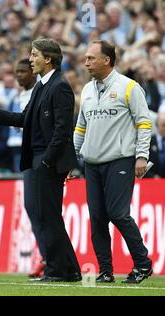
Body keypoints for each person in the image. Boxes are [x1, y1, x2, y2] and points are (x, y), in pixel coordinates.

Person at [0, 38, 81, 282]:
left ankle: (58, 270)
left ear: (48, 59)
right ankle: (68, 269)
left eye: (34, 55)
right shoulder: (41, 86)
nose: (30, 59)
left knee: (47, 216)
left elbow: (62, 130)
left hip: (45, 161)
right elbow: (24, 119)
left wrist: (47, 161)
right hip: (37, 159)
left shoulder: (59, 86)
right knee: (45, 216)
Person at [74, 40, 153, 283]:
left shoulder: (129, 87)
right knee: (97, 218)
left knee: (118, 213)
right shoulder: (87, 89)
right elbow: (81, 126)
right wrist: (70, 159)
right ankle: (105, 271)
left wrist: (142, 156)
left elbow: (144, 122)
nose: (86, 62)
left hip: (120, 160)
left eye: (90, 58)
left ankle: (143, 264)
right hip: (92, 163)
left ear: (106, 60)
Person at [10, 58, 47, 278]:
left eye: (23, 71)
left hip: (39, 156)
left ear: (33, 73)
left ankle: (51, 258)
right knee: (32, 209)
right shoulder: (20, 96)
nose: (19, 75)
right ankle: (45, 256)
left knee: (41, 210)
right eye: (17, 71)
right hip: (27, 156)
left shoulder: (39, 92)